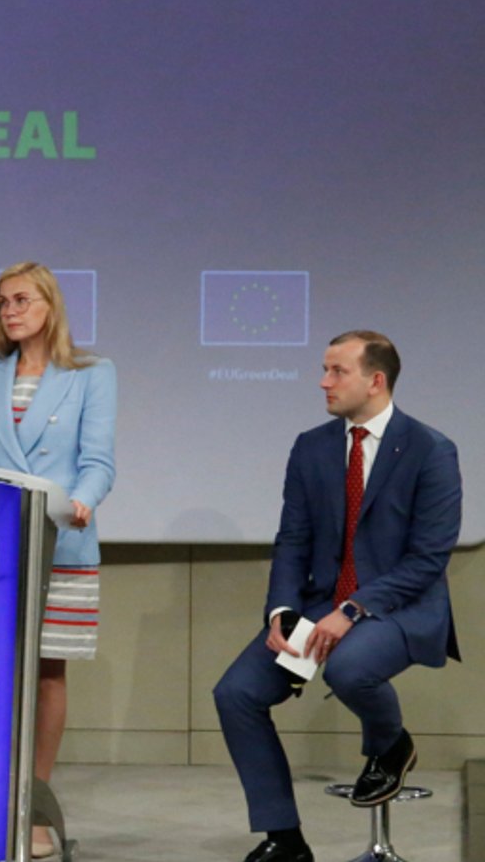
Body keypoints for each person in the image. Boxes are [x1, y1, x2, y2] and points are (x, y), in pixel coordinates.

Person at [214, 331, 461, 862]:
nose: (323, 382)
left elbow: (428, 558)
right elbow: (294, 538)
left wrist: (353, 609)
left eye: (336, 371)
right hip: (319, 604)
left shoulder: (431, 450)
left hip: (399, 606)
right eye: (323, 370)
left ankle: (391, 745)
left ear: (376, 380)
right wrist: (281, 609)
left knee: (348, 666)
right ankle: (284, 837)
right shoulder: (312, 446)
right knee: (236, 693)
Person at [0, 261, 115, 858]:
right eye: (1, 303)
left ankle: (35, 807)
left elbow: (98, 461)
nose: (10, 311)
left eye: (21, 300)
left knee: (46, 671)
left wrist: (81, 502)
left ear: (49, 304)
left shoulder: (92, 374)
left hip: (60, 543)